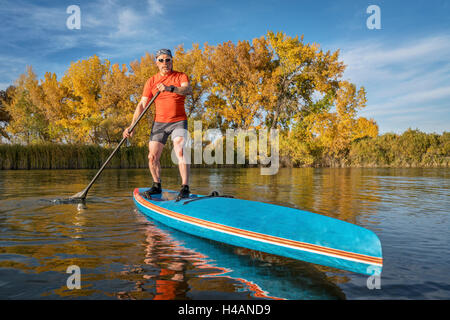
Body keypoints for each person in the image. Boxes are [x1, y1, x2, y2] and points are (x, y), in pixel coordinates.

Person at [123, 49, 192, 200]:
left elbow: (188, 90)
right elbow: (142, 104)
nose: (165, 63)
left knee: (179, 149)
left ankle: (185, 187)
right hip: (159, 123)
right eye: (161, 60)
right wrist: (132, 125)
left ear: (172, 61)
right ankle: (156, 185)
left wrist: (169, 88)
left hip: (178, 120)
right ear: (156, 63)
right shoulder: (151, 81)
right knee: (152, 157)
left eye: (168, 60)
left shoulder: (180, 76)